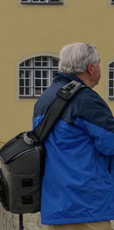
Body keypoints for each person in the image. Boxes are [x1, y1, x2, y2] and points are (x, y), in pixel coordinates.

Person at [34, 42, 114, 230]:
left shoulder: (46, 97)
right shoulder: (85, 100)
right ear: (91, 68)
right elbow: (110, 143)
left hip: (56, 202)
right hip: (86, 204)